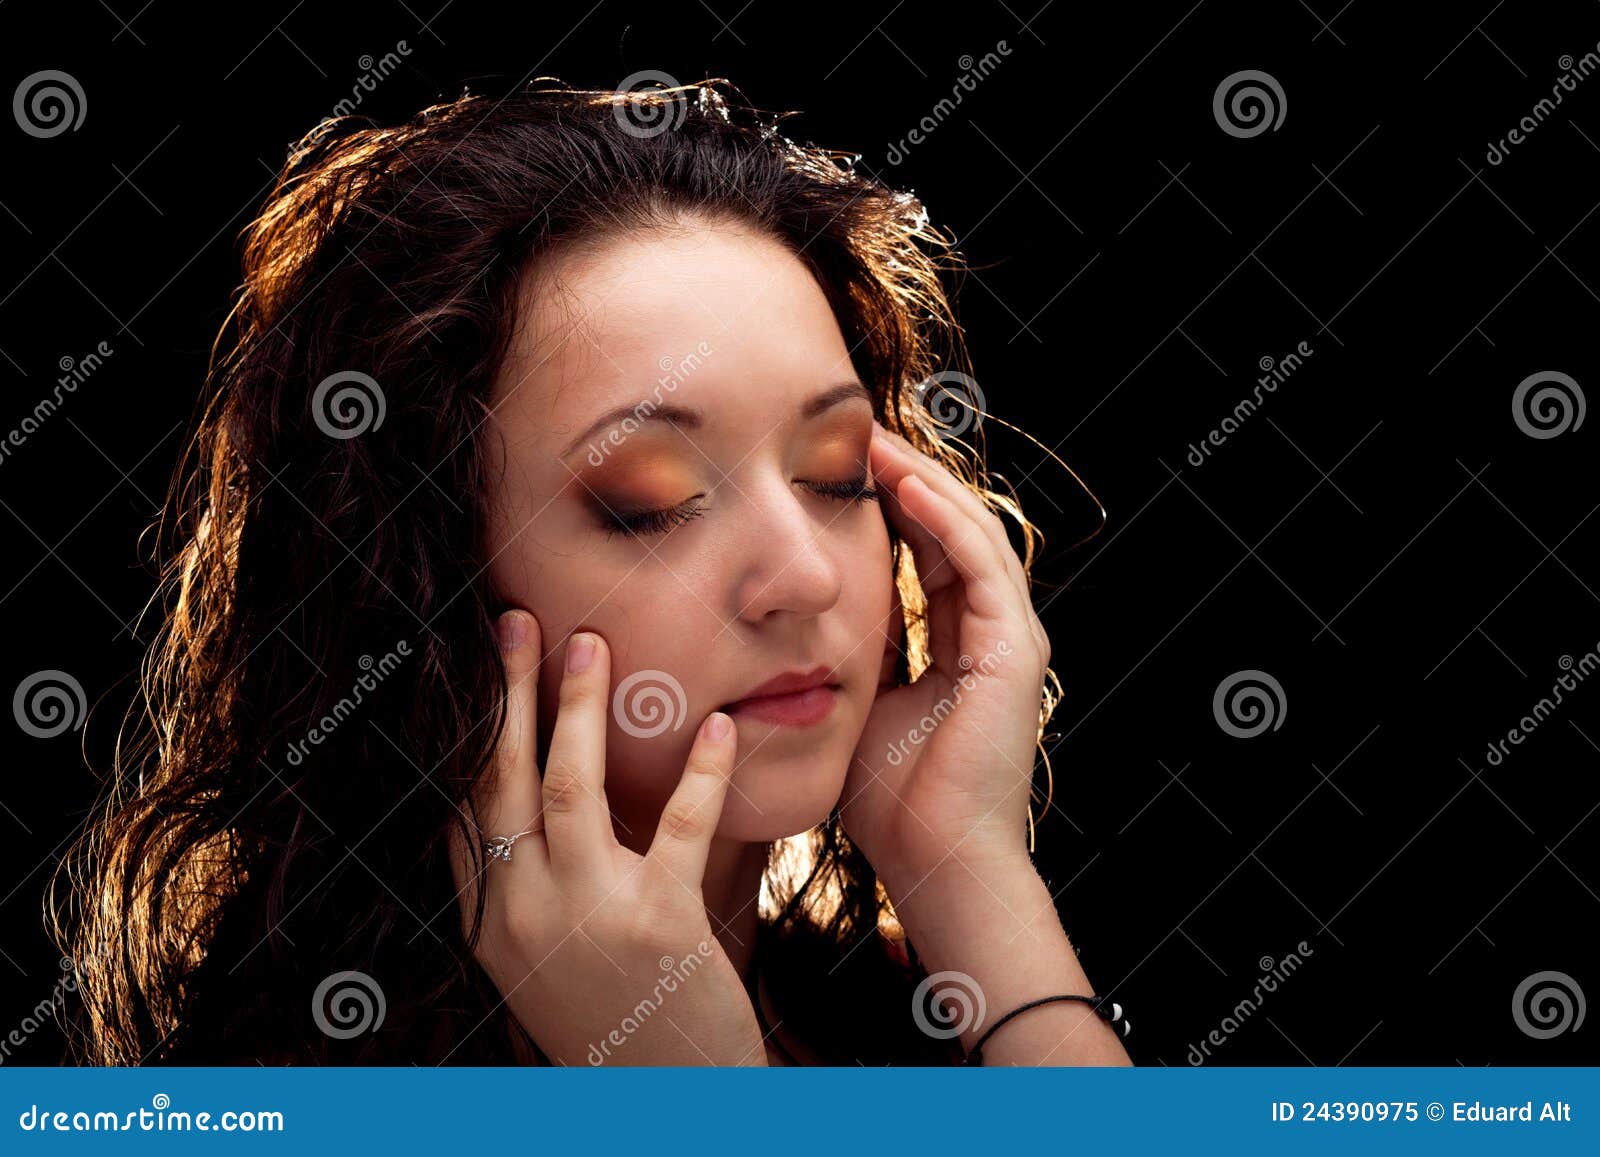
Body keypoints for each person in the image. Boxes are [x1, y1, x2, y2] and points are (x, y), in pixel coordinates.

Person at [51, 78, 1127, 1067]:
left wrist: (970, 874)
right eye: (648, 504)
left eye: (838, 475)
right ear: (422, 582)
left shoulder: (913, 1012)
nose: (803, 574)